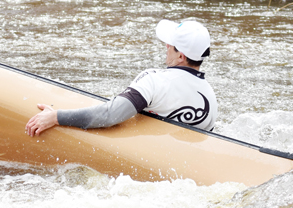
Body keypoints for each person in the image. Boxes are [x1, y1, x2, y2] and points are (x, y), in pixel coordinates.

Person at [25, 19, 218, 136]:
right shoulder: (211, 98)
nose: (166, 47)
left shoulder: (155, 80)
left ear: (181, 56)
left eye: (170, 45)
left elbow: (110, 115)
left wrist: (56, 117)